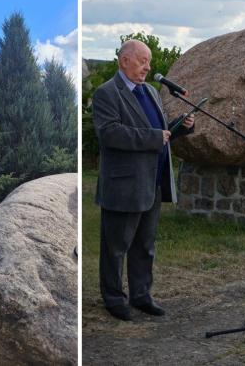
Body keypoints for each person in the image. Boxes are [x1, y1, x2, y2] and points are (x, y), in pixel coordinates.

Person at [92, 39, 195, 321]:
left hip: (153, 181)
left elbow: (161, 132)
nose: (148, 67)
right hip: (124, 185)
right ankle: (113, 298)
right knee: (116, 247)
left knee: (145, 246)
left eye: (148, 62)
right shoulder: (107, 93)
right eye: (142, 61)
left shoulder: (149, 91)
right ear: (125, 60)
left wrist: (181, 128)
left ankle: (141, 295)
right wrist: (153, 137)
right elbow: (110, 133)